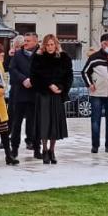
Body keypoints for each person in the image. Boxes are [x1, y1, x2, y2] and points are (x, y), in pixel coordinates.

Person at [29, 34, 72, 164]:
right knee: (44, 123)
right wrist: (49, 85)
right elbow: (34, 77)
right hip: (43, 94)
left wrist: (61, 87)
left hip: (57, 95)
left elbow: (68, 75)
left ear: (56, 44)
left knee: (54, 124)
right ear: (44, 45)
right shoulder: (38, 58)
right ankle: (45, 150)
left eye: (52, 44)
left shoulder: (64, 58)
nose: (50, 47)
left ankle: (52, 150)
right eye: (47, 44)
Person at [81, 34, 108, 155]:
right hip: (97, 93)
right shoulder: (94, 57)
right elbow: (85, 72)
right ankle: (95, 145)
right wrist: (90, 84)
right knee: (95, 121)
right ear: (102, 44)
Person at [7, 32, 37, 161]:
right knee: (16, 123)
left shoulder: (40, 55)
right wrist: (24, 79)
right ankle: (14, 149)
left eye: (28, 40)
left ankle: (36, 147)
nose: (26, 43)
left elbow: (44, 71)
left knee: (34, 122)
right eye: (25, 40)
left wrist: (33, 80)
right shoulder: (18, 55)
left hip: (34, 93)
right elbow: (12, 69)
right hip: (19, 93)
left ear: (36, 41)